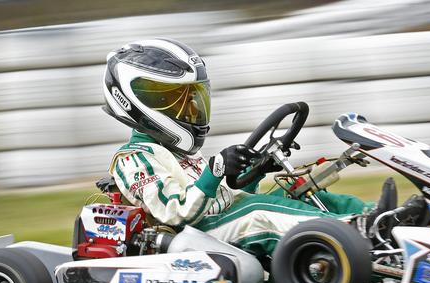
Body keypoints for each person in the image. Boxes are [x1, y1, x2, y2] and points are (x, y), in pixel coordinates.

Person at [102, 39, 384, 258]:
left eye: (193, 98)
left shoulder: (180, 153)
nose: (191, 109)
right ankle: (353, 235)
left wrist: (256, 171)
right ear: (138, 102)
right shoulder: (133, 159)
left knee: (301, 191)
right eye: (175, 100)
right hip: (193, 239)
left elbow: (226, 198)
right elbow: (175, 211)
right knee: (256, 213)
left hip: (220, 226)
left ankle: (378, 217)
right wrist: (216, 170)